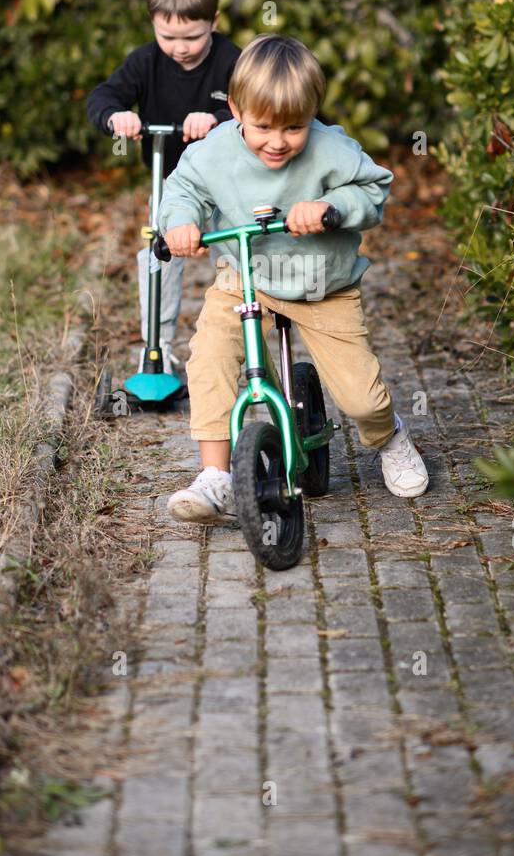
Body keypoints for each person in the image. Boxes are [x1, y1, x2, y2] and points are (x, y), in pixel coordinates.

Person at [157, 32, 429, 522]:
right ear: (236, 109)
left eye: (294, 128)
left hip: (322, 284)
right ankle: (216, 477)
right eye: (263, 127)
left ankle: (389, 437)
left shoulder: (329, 148)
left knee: (361, 398)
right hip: (248, 276)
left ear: (312, 114)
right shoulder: (214, 151)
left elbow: (374, 190)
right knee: (209, 358)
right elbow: (183, 188)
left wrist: (332, 206)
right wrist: (180, 223)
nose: (278, 142)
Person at [86, 0, 240, 372]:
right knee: (159, 255)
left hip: (230, 183)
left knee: (235, 256)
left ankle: (244, 344)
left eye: (193, 36)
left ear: (214, 22)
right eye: (168, 36)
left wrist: (218, 118)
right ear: (153, 24)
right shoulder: (145, 62)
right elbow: (103, 97)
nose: (181, 47)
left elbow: (255, 107)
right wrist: (116, 116)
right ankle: (159, 349)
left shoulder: (231, 60)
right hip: (174, 183)